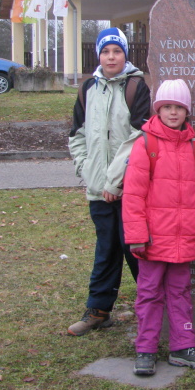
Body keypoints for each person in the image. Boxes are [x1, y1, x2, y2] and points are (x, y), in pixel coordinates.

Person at [122, 79, 195, 376]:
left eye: (179, 107)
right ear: (158, 110)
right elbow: (133, 195)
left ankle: (183, 346)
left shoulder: (194, 147)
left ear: (187, 111)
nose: (173, 112)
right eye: (167, 107)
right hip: (153, 239)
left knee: (180, 292)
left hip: (184, 238)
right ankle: (146, 349)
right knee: (149, 293)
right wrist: (137, 236)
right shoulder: (146, 144)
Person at [67, 27, 151, 336]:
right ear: (99, 55)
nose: (111, 57)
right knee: (105, 249)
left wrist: (115, 182)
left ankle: (154, 312)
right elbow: (77, 134)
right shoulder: (87, 88)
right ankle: (98, 310)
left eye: (117, 51)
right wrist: (86, 168)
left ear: (124, 55)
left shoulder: (136, 87)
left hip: (129, 188)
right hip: (97, 189)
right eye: (105, 51)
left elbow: (139, 137)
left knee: (137, 251)